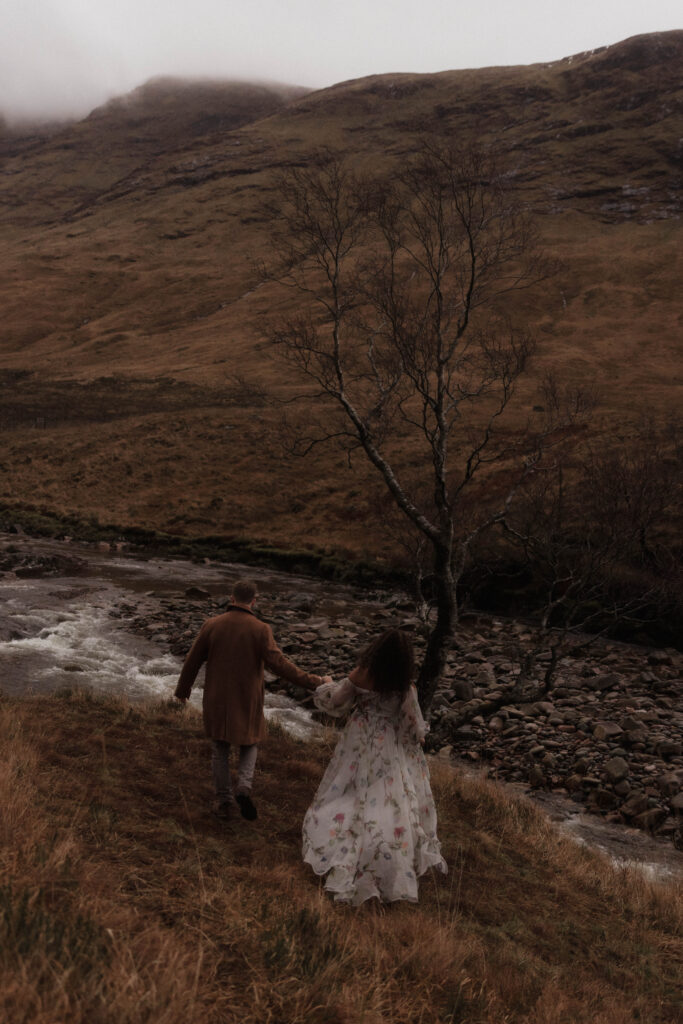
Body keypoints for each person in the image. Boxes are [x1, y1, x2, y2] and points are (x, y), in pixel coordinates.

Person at [302, 629, 447, 905]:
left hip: (358, 739)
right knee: (386, 795)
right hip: (387, 744)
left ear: (376, 649)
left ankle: (340, 838)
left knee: (348, 789)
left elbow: (335, 702)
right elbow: (411, 727)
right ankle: (383, 847)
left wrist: (327, 684)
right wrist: (419, 737)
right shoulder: (405, 687)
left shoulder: (361, 674)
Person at [174, 579, 324, 822]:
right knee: (250, 742)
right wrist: (315, 681)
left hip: (217, 696)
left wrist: (183, 691)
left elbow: (192, 661)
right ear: (254, 601)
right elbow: (280, 665)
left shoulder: (212, 624)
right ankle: (244, 787)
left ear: (231, 598)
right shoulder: (261, 629)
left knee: (220, 748)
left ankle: (225, 801)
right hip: (248, 697)